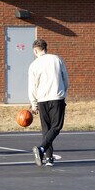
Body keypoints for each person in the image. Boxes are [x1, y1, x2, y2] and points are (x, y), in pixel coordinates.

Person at [28, 39, 68, 167]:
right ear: (46, 48)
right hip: (57, 97)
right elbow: (65, 78)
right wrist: (63, 91)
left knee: (46, 129)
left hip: (42, 100)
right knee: (56, 127)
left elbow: (32, 86)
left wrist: (33, 103)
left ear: (35, 50)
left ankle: (49, 158)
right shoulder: (57, 59)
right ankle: (41, 149)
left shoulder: (34, 65)